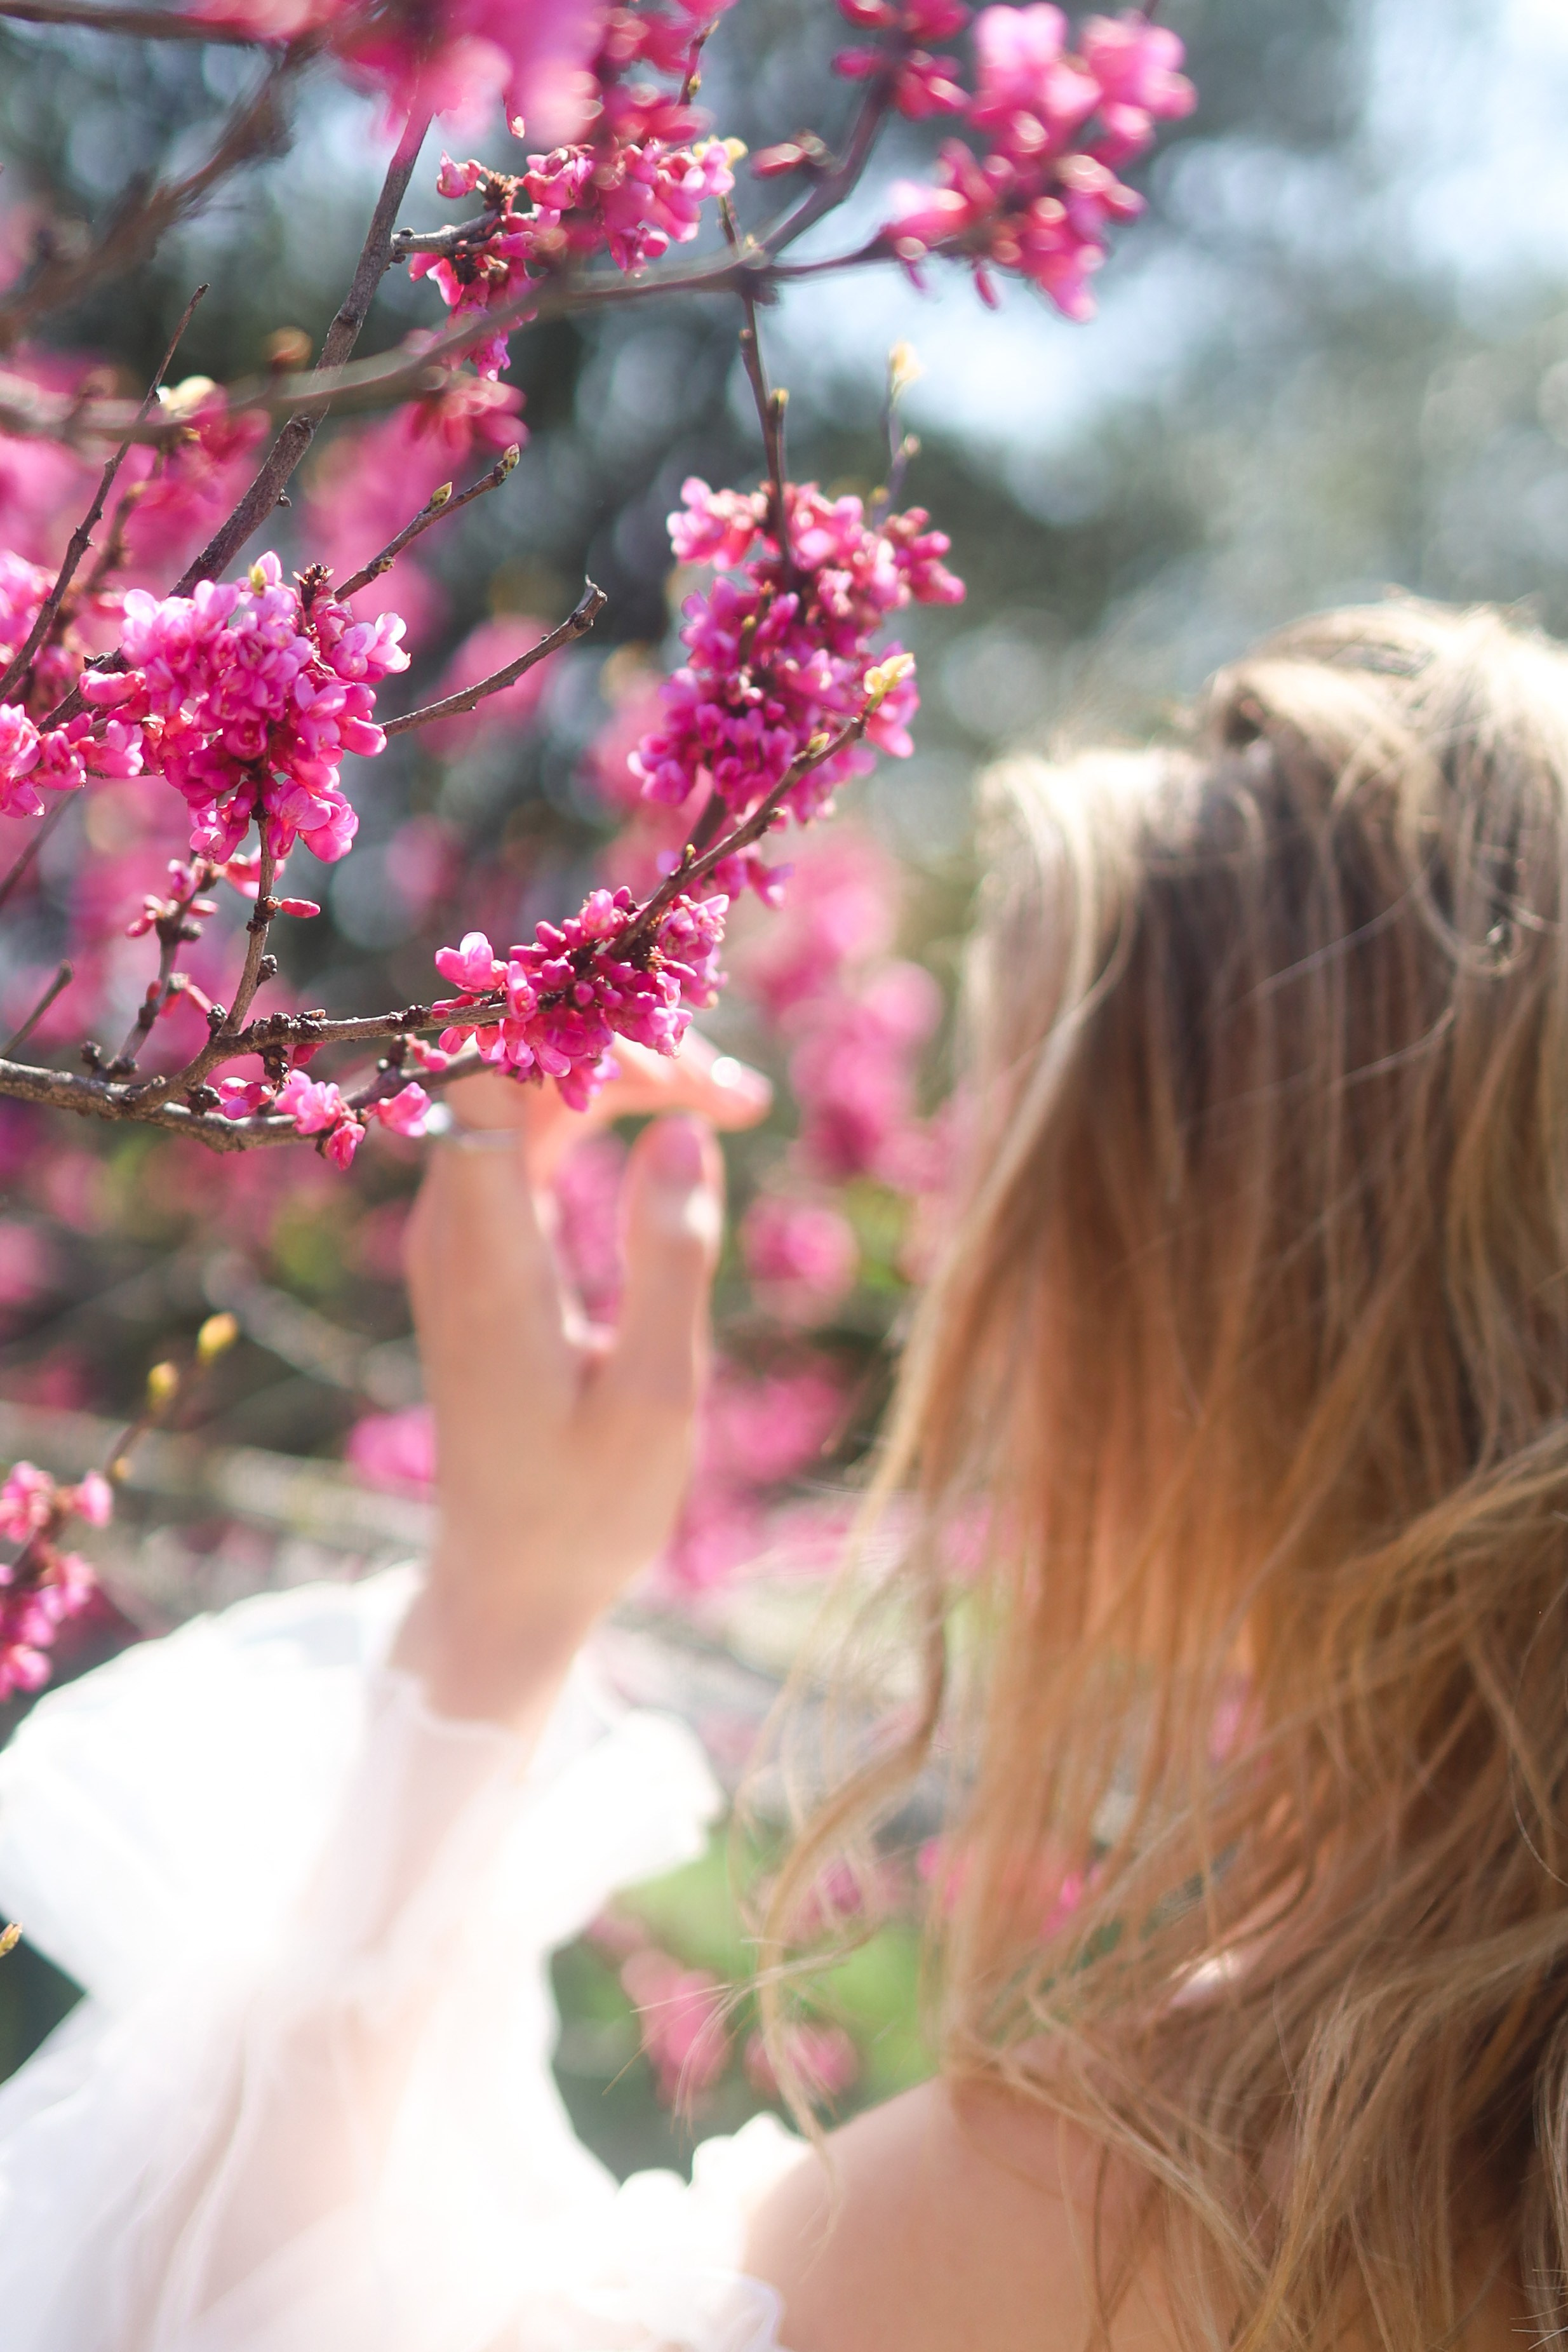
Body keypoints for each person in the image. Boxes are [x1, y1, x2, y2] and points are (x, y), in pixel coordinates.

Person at [0, 596, 1556, 2351]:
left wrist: (494, 1622)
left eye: (1019, 1153)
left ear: (1252, 1290)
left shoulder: (1105, 2206)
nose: (960, 1258)